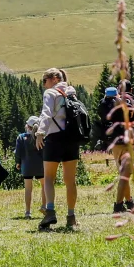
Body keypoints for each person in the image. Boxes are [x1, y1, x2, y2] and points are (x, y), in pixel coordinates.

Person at [36, 68, 85, 231]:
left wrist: (40, 133)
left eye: (45, 80)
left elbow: (46, 114)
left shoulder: (51, 93)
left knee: (49, 177)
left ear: (54, 79)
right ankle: (71, 217)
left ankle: (50, 211)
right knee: (70, 180)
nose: (44, 84)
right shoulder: (71, 93)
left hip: (54, 139)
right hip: (71, 139)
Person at [102, 87, 134, 214]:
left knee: (123, 174)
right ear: (131, 89)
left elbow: (104, 122)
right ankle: (118, 205)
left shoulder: (109, 106)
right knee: (125, 175)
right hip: (131, 143)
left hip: (116, 144)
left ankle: (129, 201)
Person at [15, 117, 42, 218]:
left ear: (28, 126)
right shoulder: (41, 137)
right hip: (40, 165)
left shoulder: (21, 137)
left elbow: (18, 152)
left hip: (27, 166)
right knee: (44, 186)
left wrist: (18, 162)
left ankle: (28, 212)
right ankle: (44, 207)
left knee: (28, 189)